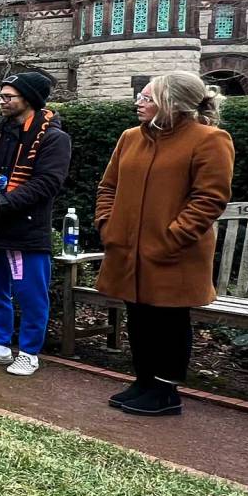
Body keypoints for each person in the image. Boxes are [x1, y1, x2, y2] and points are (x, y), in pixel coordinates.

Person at [93, 73, 234, 416]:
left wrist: (173, 237)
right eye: (140, 97)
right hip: (128, 250)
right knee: (138, 316)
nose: (138, 103)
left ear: (173, 103)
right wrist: (108, 226)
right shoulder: (130, 138)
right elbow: (108, 187)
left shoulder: (210, 140)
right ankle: (143, 382)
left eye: (148, 98)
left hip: (175, 254)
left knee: (169, 321)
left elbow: (209, 199)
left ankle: (165, 391)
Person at [0, 71, 71, 377]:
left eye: (9, 96)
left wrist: (3, 205)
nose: (2, 101)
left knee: (30, 295)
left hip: (25, 233)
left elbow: (47, 182)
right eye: (1, 96)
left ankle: (29, 353)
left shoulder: (54, 139)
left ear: (29, 99)